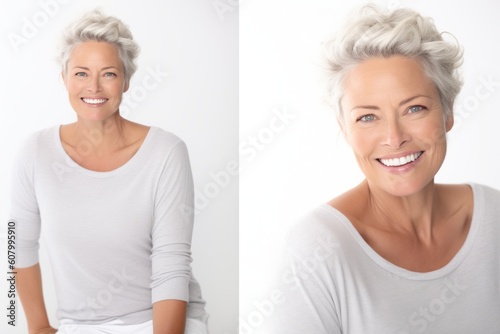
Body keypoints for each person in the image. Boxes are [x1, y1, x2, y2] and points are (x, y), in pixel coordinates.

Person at [272, 5, 500, 333]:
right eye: (368, 116)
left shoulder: (494, 216)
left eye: (414, 108)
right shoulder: (316, 250)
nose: (394, 138)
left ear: (448, 112)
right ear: (344, 128)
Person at [10, 9, 208, 334]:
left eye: (109, 74)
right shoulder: (35, 153)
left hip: (157, 320)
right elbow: (17, 243)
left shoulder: (165, 152)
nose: (95, 87)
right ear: (64, 78)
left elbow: (172, 265)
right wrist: (38, 328)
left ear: (126, 81)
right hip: (80, 324)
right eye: (82, 73)